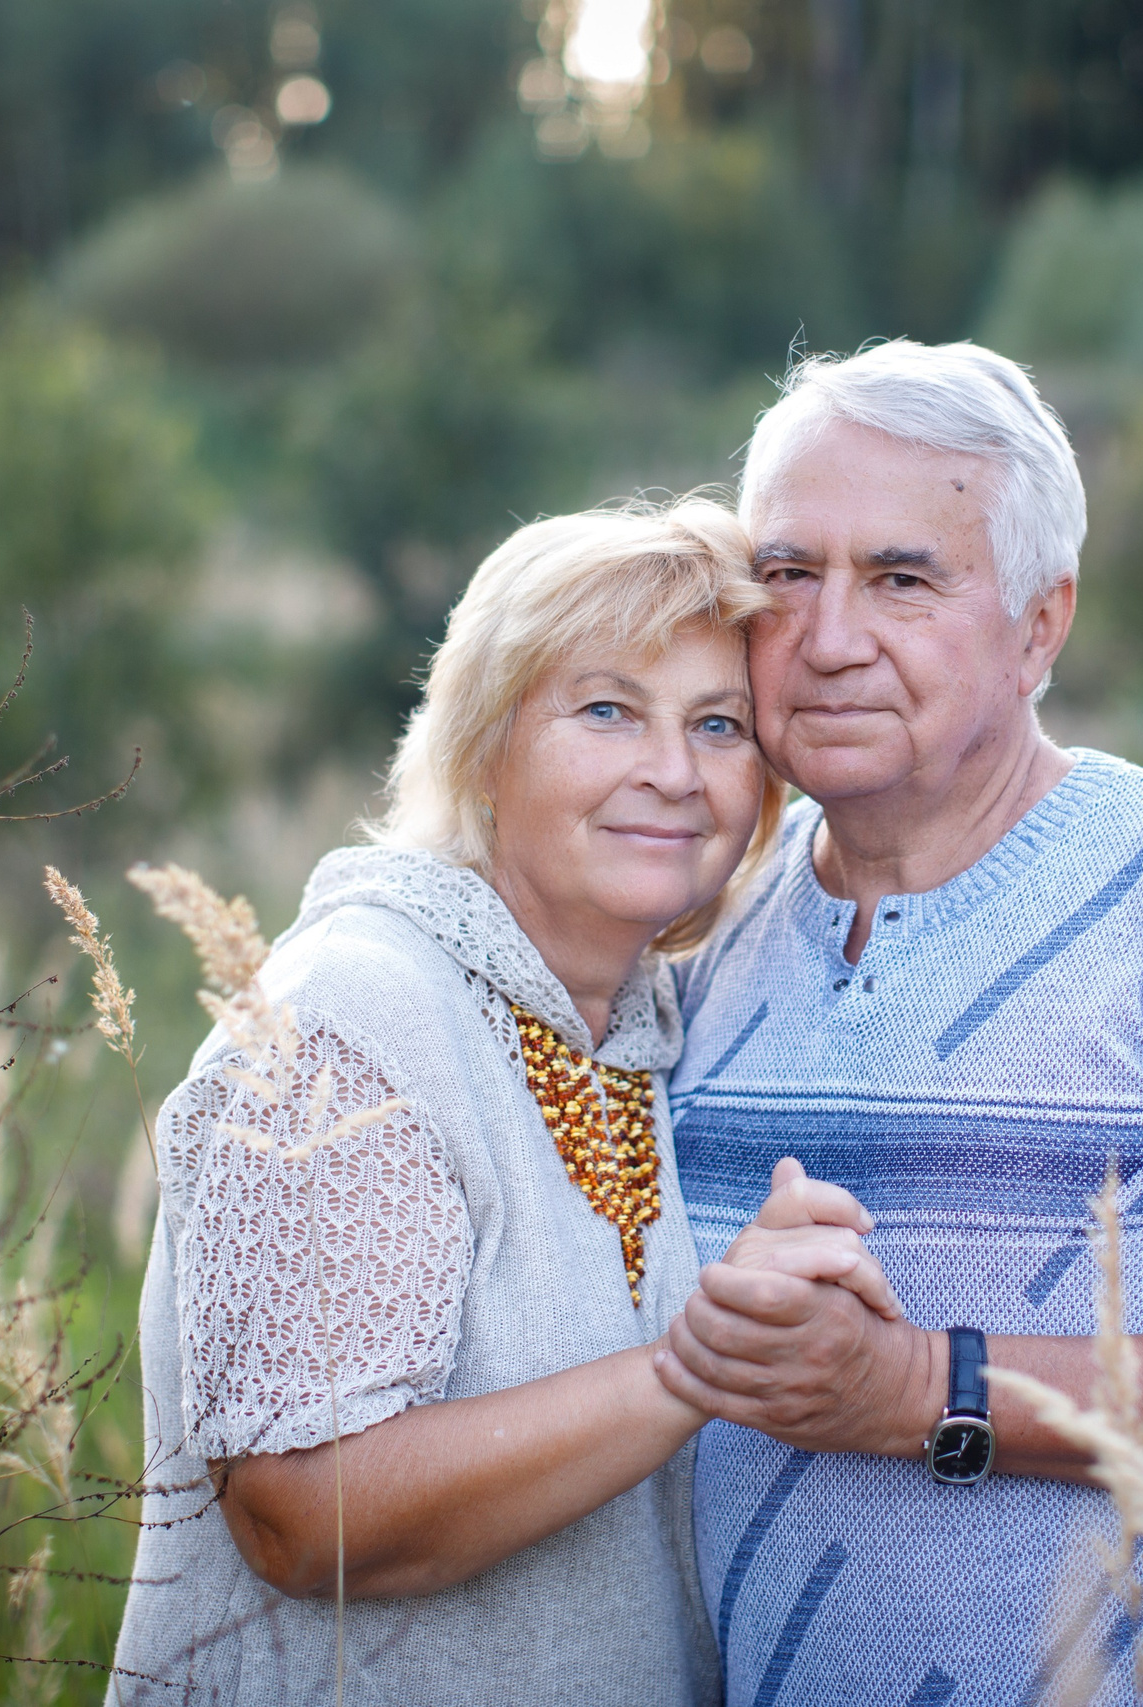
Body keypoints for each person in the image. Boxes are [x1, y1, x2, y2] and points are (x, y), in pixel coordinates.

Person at [649, 342, 1143, 1705]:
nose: (829, 638)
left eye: (902, 577)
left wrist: (918, 1389)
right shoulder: (704, 915)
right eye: (785, 574)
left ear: (1040, 624)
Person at [110, 498, 894, 1705]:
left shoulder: (636, 1030)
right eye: (604, 710)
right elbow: (304, 1519)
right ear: (484, 747)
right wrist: (698, 1365)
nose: (673, 773)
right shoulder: (345, 1021)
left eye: (719, 725)